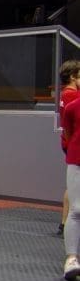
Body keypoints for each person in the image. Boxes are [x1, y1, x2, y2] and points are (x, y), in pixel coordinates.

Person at [57, 60, 80, 236]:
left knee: (72, 186)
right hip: (73, 145)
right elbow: (68, 128)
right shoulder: (72, 95)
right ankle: (66, 222)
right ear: (73, 77)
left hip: (70, 143)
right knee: (73, 187)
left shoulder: (66, 93)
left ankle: (65, 222)